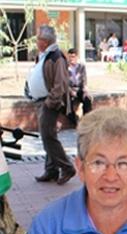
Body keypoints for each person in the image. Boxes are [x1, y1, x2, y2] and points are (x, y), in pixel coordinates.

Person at [26, 25, 76, 185]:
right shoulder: (44, 55)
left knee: (48, 136)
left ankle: (67, 166)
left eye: (39, 39)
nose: (37, 41)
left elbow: (60, 83)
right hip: (41, 100)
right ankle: (51, 170)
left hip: (50, 102)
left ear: (46, 41)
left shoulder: (56, 56)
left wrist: (50, 102)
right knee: (47, 134)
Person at [66, 47, 92, 127]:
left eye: (73, 57)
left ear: (77, 57)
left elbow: (84, 79)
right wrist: (70, 91)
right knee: (67, 102)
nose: (71, 59)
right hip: (69, 90)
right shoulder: (64, 68)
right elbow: (64, 82)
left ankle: (87, 120)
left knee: (87, 98)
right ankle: (74, 122)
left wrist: (85, 89)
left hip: (79, 89)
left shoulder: (81, 67)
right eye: (70, 57)